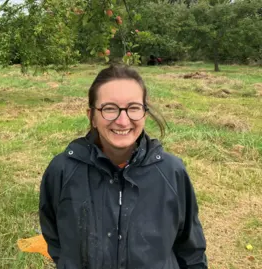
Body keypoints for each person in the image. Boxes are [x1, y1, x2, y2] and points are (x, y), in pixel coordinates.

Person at [38, 65, 207, 269]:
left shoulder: (171, 172)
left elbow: (191, 250)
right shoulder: (63, 170)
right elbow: (55, 238)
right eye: (109, 108)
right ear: (92, 116)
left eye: (133, 108)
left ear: (144, 113)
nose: (122, 120)